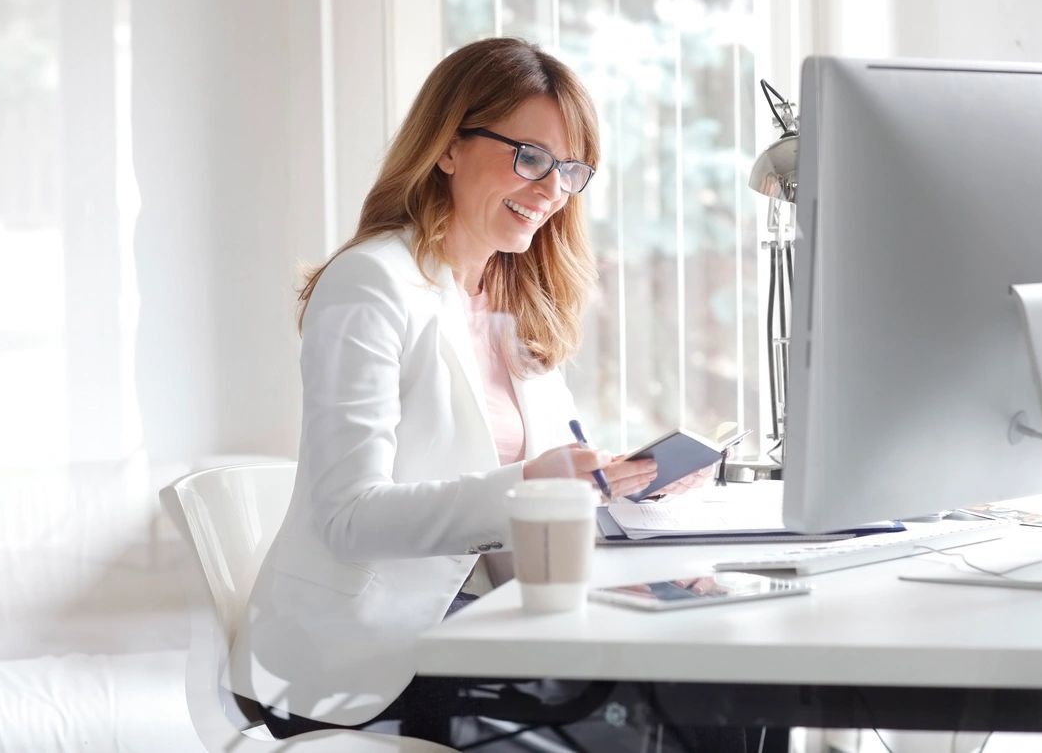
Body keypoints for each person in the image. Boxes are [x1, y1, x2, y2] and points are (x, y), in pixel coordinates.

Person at [229, 37, 712, 741]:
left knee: (697, 701)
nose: (551, 190)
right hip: (360, 661)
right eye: (531, 157)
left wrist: (620, 482)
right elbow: (348, 517)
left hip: (483, 626)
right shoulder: (371, 285)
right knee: (661, 721)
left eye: (570, 170)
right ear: (449, 146)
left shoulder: (515, 297)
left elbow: (547, 471)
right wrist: (534, 487)